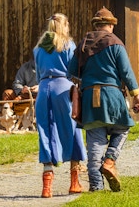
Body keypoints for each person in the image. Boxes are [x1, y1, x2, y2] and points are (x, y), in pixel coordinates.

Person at [68, 6, 139, 192]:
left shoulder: (83, 44)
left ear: (95, 25)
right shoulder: (115, 43)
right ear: (110, 25)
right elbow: (125, 72)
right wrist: (136, 95)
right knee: (122, 129)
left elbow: (71, 70)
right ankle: (110, 161)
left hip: (89, 99)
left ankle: (96, 185)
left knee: (95, 142)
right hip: (112, 96)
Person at [33, 13, 87, 198]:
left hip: (43, 89)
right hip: (63, 87)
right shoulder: (67, 45)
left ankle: (46, 188)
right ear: (63, 26)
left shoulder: (38, 48)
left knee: (45, 132)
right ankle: (74, 182)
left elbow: (38, 70)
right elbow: (73, 70)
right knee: (71, 129)